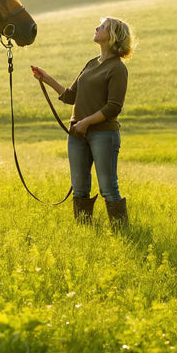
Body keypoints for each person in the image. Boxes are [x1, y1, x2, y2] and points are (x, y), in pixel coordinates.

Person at [30, 16, 135, 227]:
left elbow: (114, 107)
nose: (97, 28)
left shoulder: (118, 68)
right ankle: (85, 230)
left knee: (108, 187)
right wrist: (47, 79)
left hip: (104, 134)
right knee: (79, 187)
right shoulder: (91, 63)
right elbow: (71, 96)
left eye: (102, 27)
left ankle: (121, 231)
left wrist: (86, 122)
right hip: (77, 133)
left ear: (113, 36)